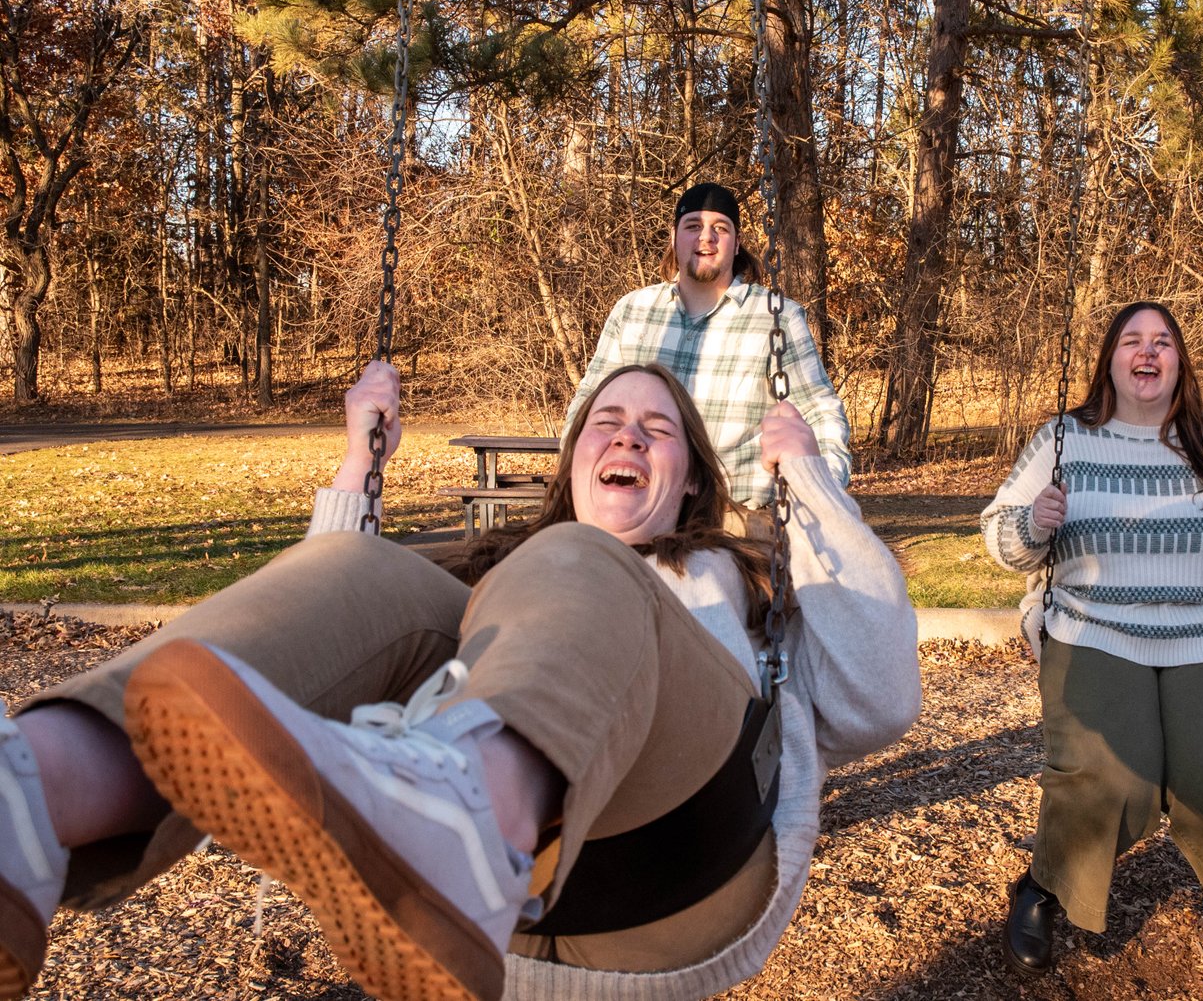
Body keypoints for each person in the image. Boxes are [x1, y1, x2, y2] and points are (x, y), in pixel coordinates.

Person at [0, 361, 920, 1001]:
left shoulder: (741, 572)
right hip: (513, 895)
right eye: (606, 422)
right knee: (366, 572)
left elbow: (881, 699)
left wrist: (803, 472)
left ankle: (478, 819)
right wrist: (359, 460)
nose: (627, 436)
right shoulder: (505, 565)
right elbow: (313, 654)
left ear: (687, 483)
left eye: (656, 429)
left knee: (585, 562)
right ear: (571, 465)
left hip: (681, 855)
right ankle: (39, 791)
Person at [980, 301, 1203, 1001]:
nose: (1148, 352)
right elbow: (1001, 536)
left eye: (1163, 341)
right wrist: (1034, 523)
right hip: (1094, 627)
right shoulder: (1065, 437)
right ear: (1111, 359)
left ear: (1180, 361)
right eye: (1133, 340)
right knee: (1113, 776)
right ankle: (1042, 882)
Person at [564, 182, 850, 509]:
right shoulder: (633, 312)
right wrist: (577, 474)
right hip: (637, 507)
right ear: (674, 238)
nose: (706, 237)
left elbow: (819, 414)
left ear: (737, 243)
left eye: (720, 228)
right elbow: (588, 404)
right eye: (693, 226)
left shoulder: (776, 319)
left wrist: (824, 497)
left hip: (734, 517)